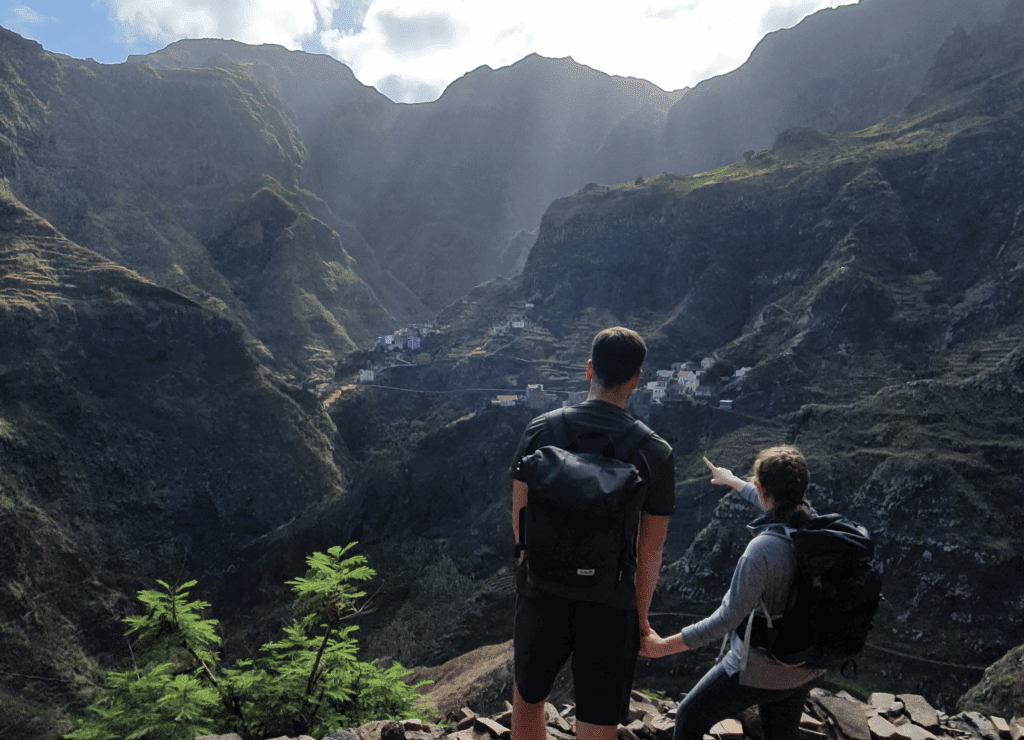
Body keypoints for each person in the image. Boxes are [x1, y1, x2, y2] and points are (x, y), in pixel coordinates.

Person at [509, 327, 675, 740]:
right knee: (597, 723)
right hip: (610, 604)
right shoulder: (655, 452)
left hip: (543, 593)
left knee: (528, 704)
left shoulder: (540, 431)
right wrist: (638, 618)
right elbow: (650, 551)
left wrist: (530, 573)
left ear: (589, 370)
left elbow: (521, 522)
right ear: (635, 380)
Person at [640, 446, 824, 740]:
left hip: (763, 669)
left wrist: (662, 647)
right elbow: (772, 503)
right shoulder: (816, 527)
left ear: (762, 487)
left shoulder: (762, 551)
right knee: (780, 733)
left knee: (689, 715)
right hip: (809, 665)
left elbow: (725, 620)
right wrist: (731, 481)